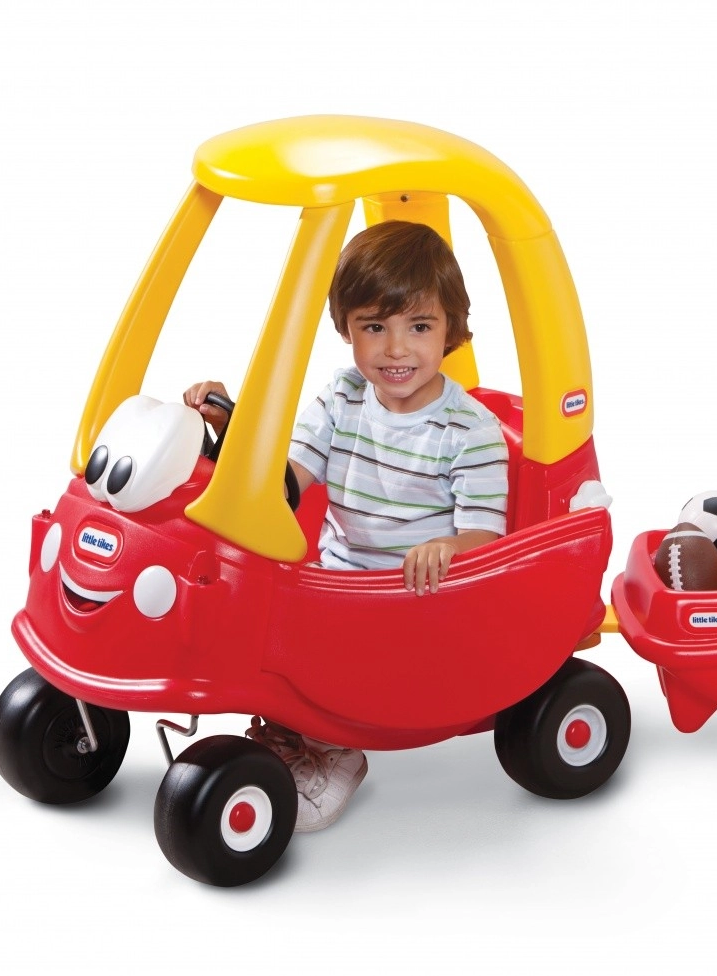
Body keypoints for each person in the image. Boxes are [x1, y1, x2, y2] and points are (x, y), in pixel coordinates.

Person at [182, 220, 509, 831]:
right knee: (257, 615)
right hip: (336, 586)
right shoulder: (342, 396)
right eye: (374, 327)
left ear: (451, 330)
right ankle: (290, 730)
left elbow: (485, 539)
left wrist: (446, 547)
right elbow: (284, 484)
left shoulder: (472, 431)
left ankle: (334, 752)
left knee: (318, 654)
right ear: (346, 329)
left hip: (419, 600)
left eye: (419, 327)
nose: (396, 349)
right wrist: (233, 432)